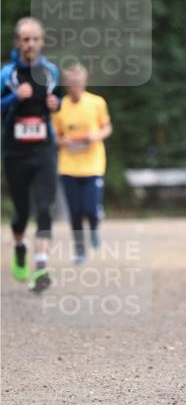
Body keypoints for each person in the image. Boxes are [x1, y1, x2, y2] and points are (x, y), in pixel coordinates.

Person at [1, 17, 61, 292]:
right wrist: (15, 98)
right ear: (18, 43)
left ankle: (41, 267)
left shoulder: (50, 71)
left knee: (45, 207)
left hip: (44, 149)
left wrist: (55, 103)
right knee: (22, 214)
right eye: (25, 39)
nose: (30, 44)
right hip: (15, 152)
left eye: (35, 39)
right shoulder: (7, 74)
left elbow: (56, 101)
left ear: (42, 42)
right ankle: (20, 246)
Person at [52, 63, 112, 263]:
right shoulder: (60, 106)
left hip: (93, 165)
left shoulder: (97, 102)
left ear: (84, 82)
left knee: (90, 208)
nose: (74, 86)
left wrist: (95, 136)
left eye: (77, 82)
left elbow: (106, 128)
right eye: (70, 83)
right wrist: (63, 141)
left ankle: (94, 227)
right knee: (75, 212)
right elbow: (54, 135)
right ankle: (80, 251)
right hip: (68, 166)